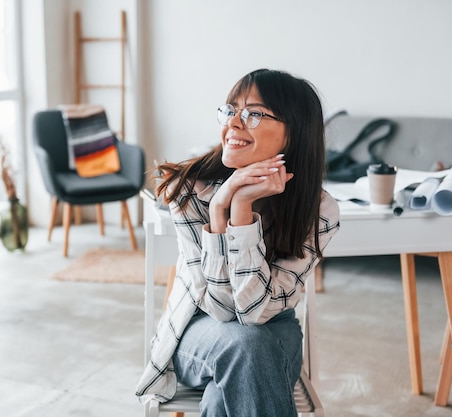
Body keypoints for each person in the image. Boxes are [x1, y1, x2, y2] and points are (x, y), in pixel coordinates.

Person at [135, 68, 340, 417]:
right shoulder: (190, 190)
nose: (234, 123)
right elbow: (221, 310)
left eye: (254, 114)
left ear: (295, 132)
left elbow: (256, 313)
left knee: (229, 388)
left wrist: (241, 209)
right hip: (195, 333)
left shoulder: (318, 209)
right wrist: (220, 209)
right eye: (231, 110)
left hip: (275, 331)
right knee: (247, 348)